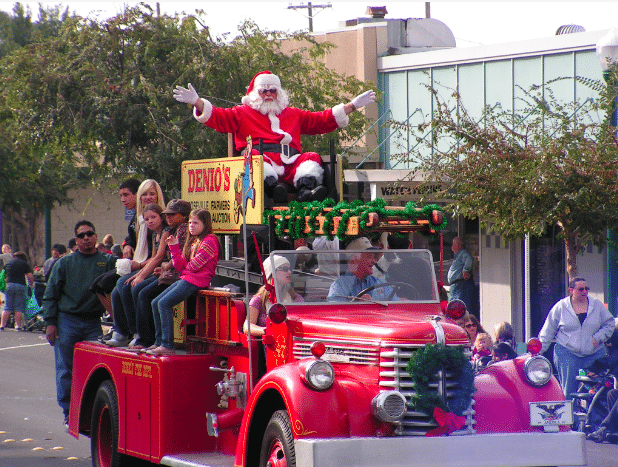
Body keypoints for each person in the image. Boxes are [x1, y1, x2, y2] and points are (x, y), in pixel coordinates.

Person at [173, 71, 376, 203]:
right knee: (255, 161)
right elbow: (217, 117)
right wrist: (198, 103)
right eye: (263, 91)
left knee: (311, 157)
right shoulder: (241, 113)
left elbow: (320, 120)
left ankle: (307, 192)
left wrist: (352, 106)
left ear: (278, 92)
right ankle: (272, 190)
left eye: (272, 90)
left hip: (290, 163)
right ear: (255, 93)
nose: (268, 94)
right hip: (262, 163)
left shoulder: (293, 114)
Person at [42, 220, 117, 426]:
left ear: (95, 237)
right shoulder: (64, 263)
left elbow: (124, 270)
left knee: (95, 368)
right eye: (82, 235)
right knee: (66, 368)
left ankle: (89, 411)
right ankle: (68, 411)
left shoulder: (107, 261)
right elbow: (51, 294)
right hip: (67, 321)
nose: (86, 238)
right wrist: (50, 323)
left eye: (90, 234)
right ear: (76, 240)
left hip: (93, 322)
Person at [149, 209, 220, 356]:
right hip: (187, 278)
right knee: (155, 302)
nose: (191, 226)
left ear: (205, 224)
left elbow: (193, 267)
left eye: (195, 223)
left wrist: (185, 266)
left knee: (164, 303)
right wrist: (174, 246)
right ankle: (158, 342)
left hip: (196, 281)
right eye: (190, 223)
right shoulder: (195, 241)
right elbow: (180, 266)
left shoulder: (210, 240)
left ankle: (167, 345)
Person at [106, 179, 165, 347]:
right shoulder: (139, 220)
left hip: (158, 267)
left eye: (152, 194)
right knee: (116, 288)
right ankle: (123, 331)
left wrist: (140, 271)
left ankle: (139, 333)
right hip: (144, 263)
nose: (147, 197)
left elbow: (159, 257)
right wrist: (128, 246)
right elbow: (148, 250)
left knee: (131, 286)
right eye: (144, 194)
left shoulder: (163, 225)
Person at [538, 277, 615, 399]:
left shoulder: (596, 305)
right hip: (567, 352)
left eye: (586, 289)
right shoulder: (561, 307)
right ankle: (570, 415)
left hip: (593, 352)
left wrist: (599, 337)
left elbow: (610, 324)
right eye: (581, 289)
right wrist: (537, 352)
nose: (585, 292)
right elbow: (548, 330)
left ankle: (593, 416)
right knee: (569, 389)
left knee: (596, 388)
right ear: (571, 290)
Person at [129, 199, 191, 349]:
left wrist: (164, 267)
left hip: (178, 275)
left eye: (172, 214)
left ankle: (157, 341)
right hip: (170, 273)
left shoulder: (182, 229)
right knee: (137, 290)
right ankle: (148, 338)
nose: (168, 218)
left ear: (183, 216)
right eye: (167, 215)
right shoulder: (174, 230)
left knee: (151, 298)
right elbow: (163, 257)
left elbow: (178, 258)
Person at [245, 255, 303, 338]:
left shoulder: (295, 298)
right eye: (285, 269)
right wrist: (266, 330)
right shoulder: (259, 299)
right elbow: (247, 326)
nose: (289, 272)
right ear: (272, 272)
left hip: (292, 341)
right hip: (270, 344)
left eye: (289, 269)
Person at [327, 237, 393, 302]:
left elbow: (396, 306)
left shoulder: (382, 284)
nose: (374, 261)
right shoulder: (339, 285)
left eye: (373, 257)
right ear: (354, 260)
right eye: (369, 257)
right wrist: (357, 305)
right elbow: (336, 310)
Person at [0, 251, 34, 331]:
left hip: (10, 285)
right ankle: (18, 326)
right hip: (21, 285)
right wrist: (31, 284)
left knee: (7, 306)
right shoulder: (24, 264)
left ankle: (2, 325)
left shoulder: (8, 263)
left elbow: (3, 274)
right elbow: (30, 276)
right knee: (18, 307)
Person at [447, 237, 478, 317]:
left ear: (458, 245)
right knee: (454, 309)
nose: (452, 246)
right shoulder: (457, 255)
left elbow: (469, 259)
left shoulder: (463, 253)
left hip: (462, 285)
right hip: (457, 286)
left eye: (453, 244)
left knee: (463, 309)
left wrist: (466, 270)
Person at [118, 178, 141, 259]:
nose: (122, 200)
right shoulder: (135, 217)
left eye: (126, 195)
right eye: (121, 196)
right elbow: (131, 237)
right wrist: (127, 244)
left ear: (138, 194)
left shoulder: (149, 217)